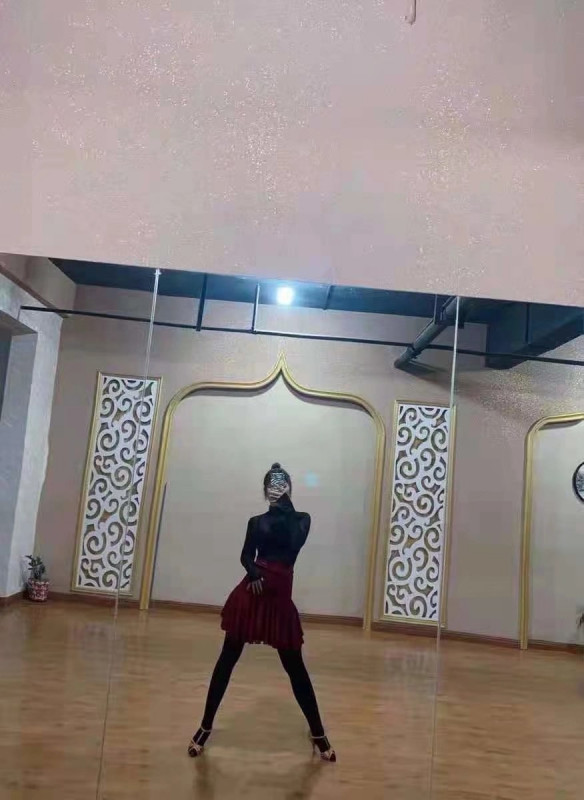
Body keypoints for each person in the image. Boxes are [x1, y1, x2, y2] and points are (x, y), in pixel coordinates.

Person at [187, 463, 336, 762]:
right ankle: (205, 726)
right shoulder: (255, 522)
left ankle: (318, 732)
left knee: (295, 668)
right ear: (266, 491)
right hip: (251, 597)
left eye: (281, 485)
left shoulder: (302, 520)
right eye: (272, 486)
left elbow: (292, 544)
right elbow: (246, 555)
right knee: (226, 661)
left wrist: (284, 508)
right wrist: (254, 573)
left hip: (279, 602)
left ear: (289, 489)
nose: (277, 490)